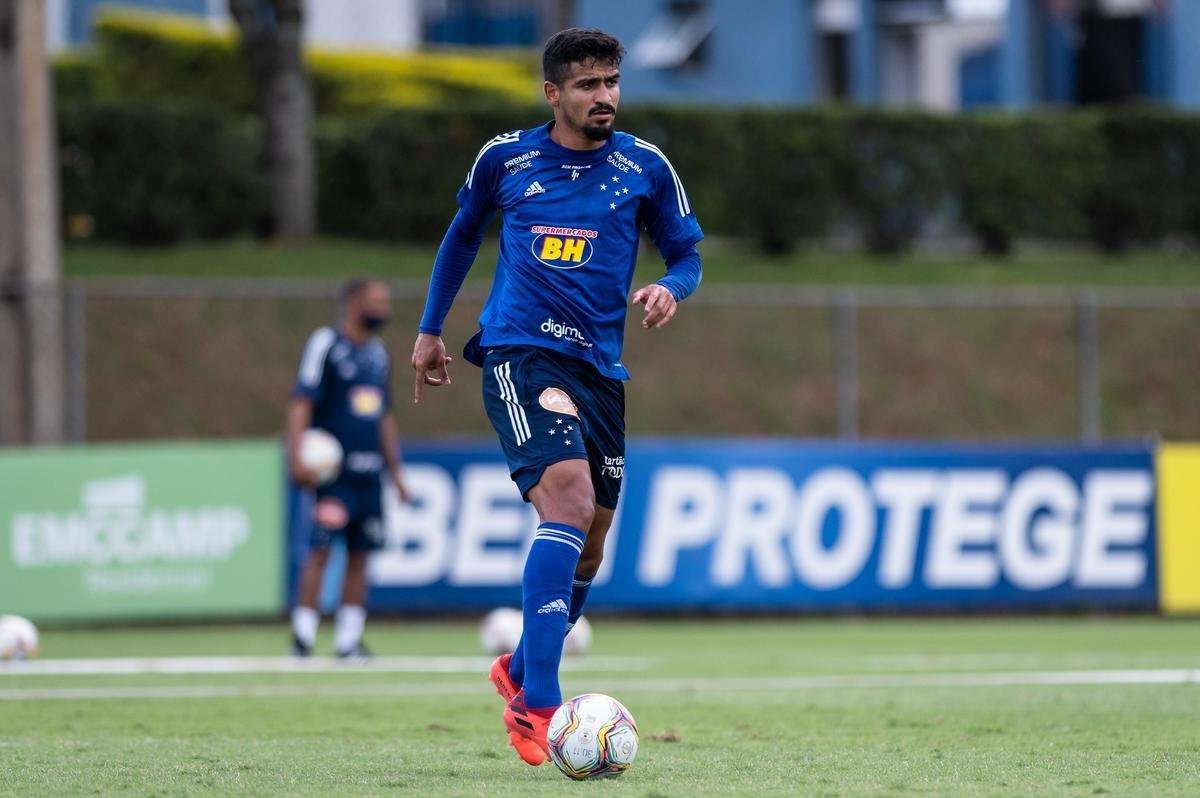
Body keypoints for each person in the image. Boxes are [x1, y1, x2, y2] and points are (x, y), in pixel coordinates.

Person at [411, 28, 702, 766]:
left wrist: (671, 285)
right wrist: (429, 329)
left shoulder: (645, 165)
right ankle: (537, 702)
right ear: (553, 93)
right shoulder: (505, 158)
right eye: (587, 85)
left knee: (591, 545)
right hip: (519, 352)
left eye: (611, 82)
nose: (604, 96)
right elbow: (461, 236)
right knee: (568, 502)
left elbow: (688, 252)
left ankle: (516, 664)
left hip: (600, 369)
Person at [288, 277, 409, 659]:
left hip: (369, 475)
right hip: (333, 475)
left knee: (362, 555)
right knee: (320, 552)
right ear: (354, 302)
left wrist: (396, 473)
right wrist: (296, 456)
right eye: (376, 300)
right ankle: (303, 638)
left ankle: (348, 641)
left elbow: (384, 415)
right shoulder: (326, 344)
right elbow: (301, 402)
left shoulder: (379, 353)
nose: (383, 309)